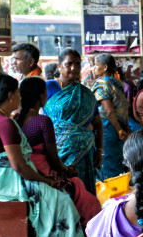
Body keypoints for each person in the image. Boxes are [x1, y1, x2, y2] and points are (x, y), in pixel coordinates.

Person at [0, 74, 87, 237]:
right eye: (17, 94)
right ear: (10, 95)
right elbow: (19, 166)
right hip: (5, 184)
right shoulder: (4, 123)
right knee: (62, 202)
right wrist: (45, 180)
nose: (20, 98)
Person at [14, 77, 101, 227]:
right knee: (87, 199)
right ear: (42, 96)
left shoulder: (16, 119)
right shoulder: (43, 121)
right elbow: (54, 159)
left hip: (26, 175)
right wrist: (67, 170)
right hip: (43, 174)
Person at [45, 48, 103, 187]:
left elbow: (97, 122)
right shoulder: (48, 87)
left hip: (84, 154)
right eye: (68, 64)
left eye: (77, 64)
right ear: (59, 66)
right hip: (56, 153)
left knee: (82, 191)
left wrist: (100, 150)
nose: (74, 68)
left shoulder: (85, 94)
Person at [91, 53, 133, 181]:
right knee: (116, 162)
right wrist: (123, 128)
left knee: (108, 164)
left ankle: (111, 197)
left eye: (96, 65)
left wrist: (118, 129)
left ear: (104, 67)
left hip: (108, 128)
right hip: (118, 128)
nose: (93, 68)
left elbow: (108, 111)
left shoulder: (102, 84)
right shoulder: (117, 84)